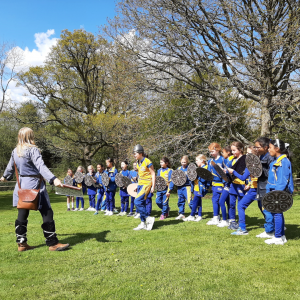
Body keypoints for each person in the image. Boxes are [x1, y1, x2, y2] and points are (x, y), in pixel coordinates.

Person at [0, 127, 69, 251]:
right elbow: (41, 166)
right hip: (35, 186)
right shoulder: (33, 150)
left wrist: (4, 177)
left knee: (22, 213)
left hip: (21, 186)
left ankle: (21, 244)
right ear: (30, 136)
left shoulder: (15, 151)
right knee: (47, 212)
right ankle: (53, 243)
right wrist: (53, 179)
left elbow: (9, 169)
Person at [263, 139, 293, 245]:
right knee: (277, 213)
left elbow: (282, 180)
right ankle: (281, 236)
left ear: (277, 149)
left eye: (270, 147)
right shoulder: (277, 160)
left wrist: (277, 193)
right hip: (273, 191)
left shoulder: (284, 161)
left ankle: (278, 237)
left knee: (277, 213)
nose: (269, 149)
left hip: (278, 192)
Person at [227, 146, 258, 235]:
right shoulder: (258, 163)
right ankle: (272, 226)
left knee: (240, 206)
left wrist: (233, 172)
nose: (246, 155)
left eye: (248, 153)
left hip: (254, 190)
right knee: (264, 208)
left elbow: (243, 177)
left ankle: (242, 229)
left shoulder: (250, 165)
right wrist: (248, 185)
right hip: (257, 188)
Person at [254, 137, 277, 239]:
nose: (256, 149)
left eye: (257, 147)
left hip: (266, 186)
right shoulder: (262, 156)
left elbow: (271, 173)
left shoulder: (270, 157)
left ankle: (270, 231)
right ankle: (272, 227)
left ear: (265, 147)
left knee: (267, 208)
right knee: (261, 207)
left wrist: (260, 169)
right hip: (261, 186)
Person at [132, 144, 155, 230]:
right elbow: (140, 175)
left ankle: (148, 218)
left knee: (137, 201)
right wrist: (137, 185)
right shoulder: (138, 163)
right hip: (140, 184)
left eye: (135, 153)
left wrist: (153, 186)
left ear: (140, 153)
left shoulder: (147, 161)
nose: (134, 155)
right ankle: (143, 223)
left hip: (147, 184)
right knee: (141, 203)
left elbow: (153, 174)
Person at [227, 142, 247, 230]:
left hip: (241, 185)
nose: (233, 152)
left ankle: (240, 222)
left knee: (240, 204)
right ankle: (232, 221)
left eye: (234, 150)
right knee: (231, 203)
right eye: (232, 150)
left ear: (240, 149)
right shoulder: (232, 159)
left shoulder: (245, 159)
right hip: (233, 184)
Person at [184, 154, 209, 222]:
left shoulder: (205, 168)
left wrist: (197, 175)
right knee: (198, 202)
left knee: (195, 201)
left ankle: (192, 215)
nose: (196, 162)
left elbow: (204, 179)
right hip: (195, 187)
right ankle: (199, 215)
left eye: (197, 160)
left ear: (202, 161)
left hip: (200, 188)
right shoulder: (199, 168)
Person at [167, 155, 192, 220]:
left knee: (189, 201)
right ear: (180, 161)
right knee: (180, 201)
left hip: (187, 187)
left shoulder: (189, 169)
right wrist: (170, 189)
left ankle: (194, 213)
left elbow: (192, 178)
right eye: (182, 162)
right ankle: (181, 214)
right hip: (180, 187)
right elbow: (174, 179)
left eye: (185, 162)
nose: (183, 163)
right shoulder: (178, 169)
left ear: (187, 162)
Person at [206, 143, 224, 225]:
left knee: (219, 200)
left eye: (212, 151)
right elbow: (209, 173)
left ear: (217, 150)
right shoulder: (210, 161)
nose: (211, 153)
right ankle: (216, 216)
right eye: (210, 152)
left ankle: (219, 217)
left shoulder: (223, 160)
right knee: (215, 200)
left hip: (222, 183)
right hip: (214, 184)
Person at [218, 146, 234, 227]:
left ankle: (225, 220)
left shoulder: (231, 160)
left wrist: (225, 171)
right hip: (226, 184)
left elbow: (231, 171)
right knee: (228, 203)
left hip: (230, 184)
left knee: (221, 201)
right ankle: (229, 219)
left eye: (223, 152)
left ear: (228, 152)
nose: (222, 154)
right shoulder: (227, 160)